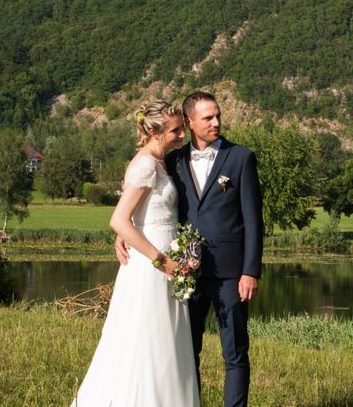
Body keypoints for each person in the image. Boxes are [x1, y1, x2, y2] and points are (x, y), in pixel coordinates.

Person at [116, 91, 264, 407]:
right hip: (186, 273)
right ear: (189, 122)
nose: (216, 122)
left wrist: (250, 271)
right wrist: (126, 233)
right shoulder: (172, 160)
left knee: (235, 352)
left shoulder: (241, 158)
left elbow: (254, 221)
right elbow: (149, 203)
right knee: (185, 351)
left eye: (218, 115)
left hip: (230, 273)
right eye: (208, 117)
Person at [73, 101, 200, 407]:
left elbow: (138, 214)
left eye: (182, 126)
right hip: (151, 264)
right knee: (148, 339)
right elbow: (119, 218)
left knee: (166, 340)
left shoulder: (160, 160)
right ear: (155, 131)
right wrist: (162, 260)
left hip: (165, 257)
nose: (183, 133)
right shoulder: (145, 164)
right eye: (176, 130)